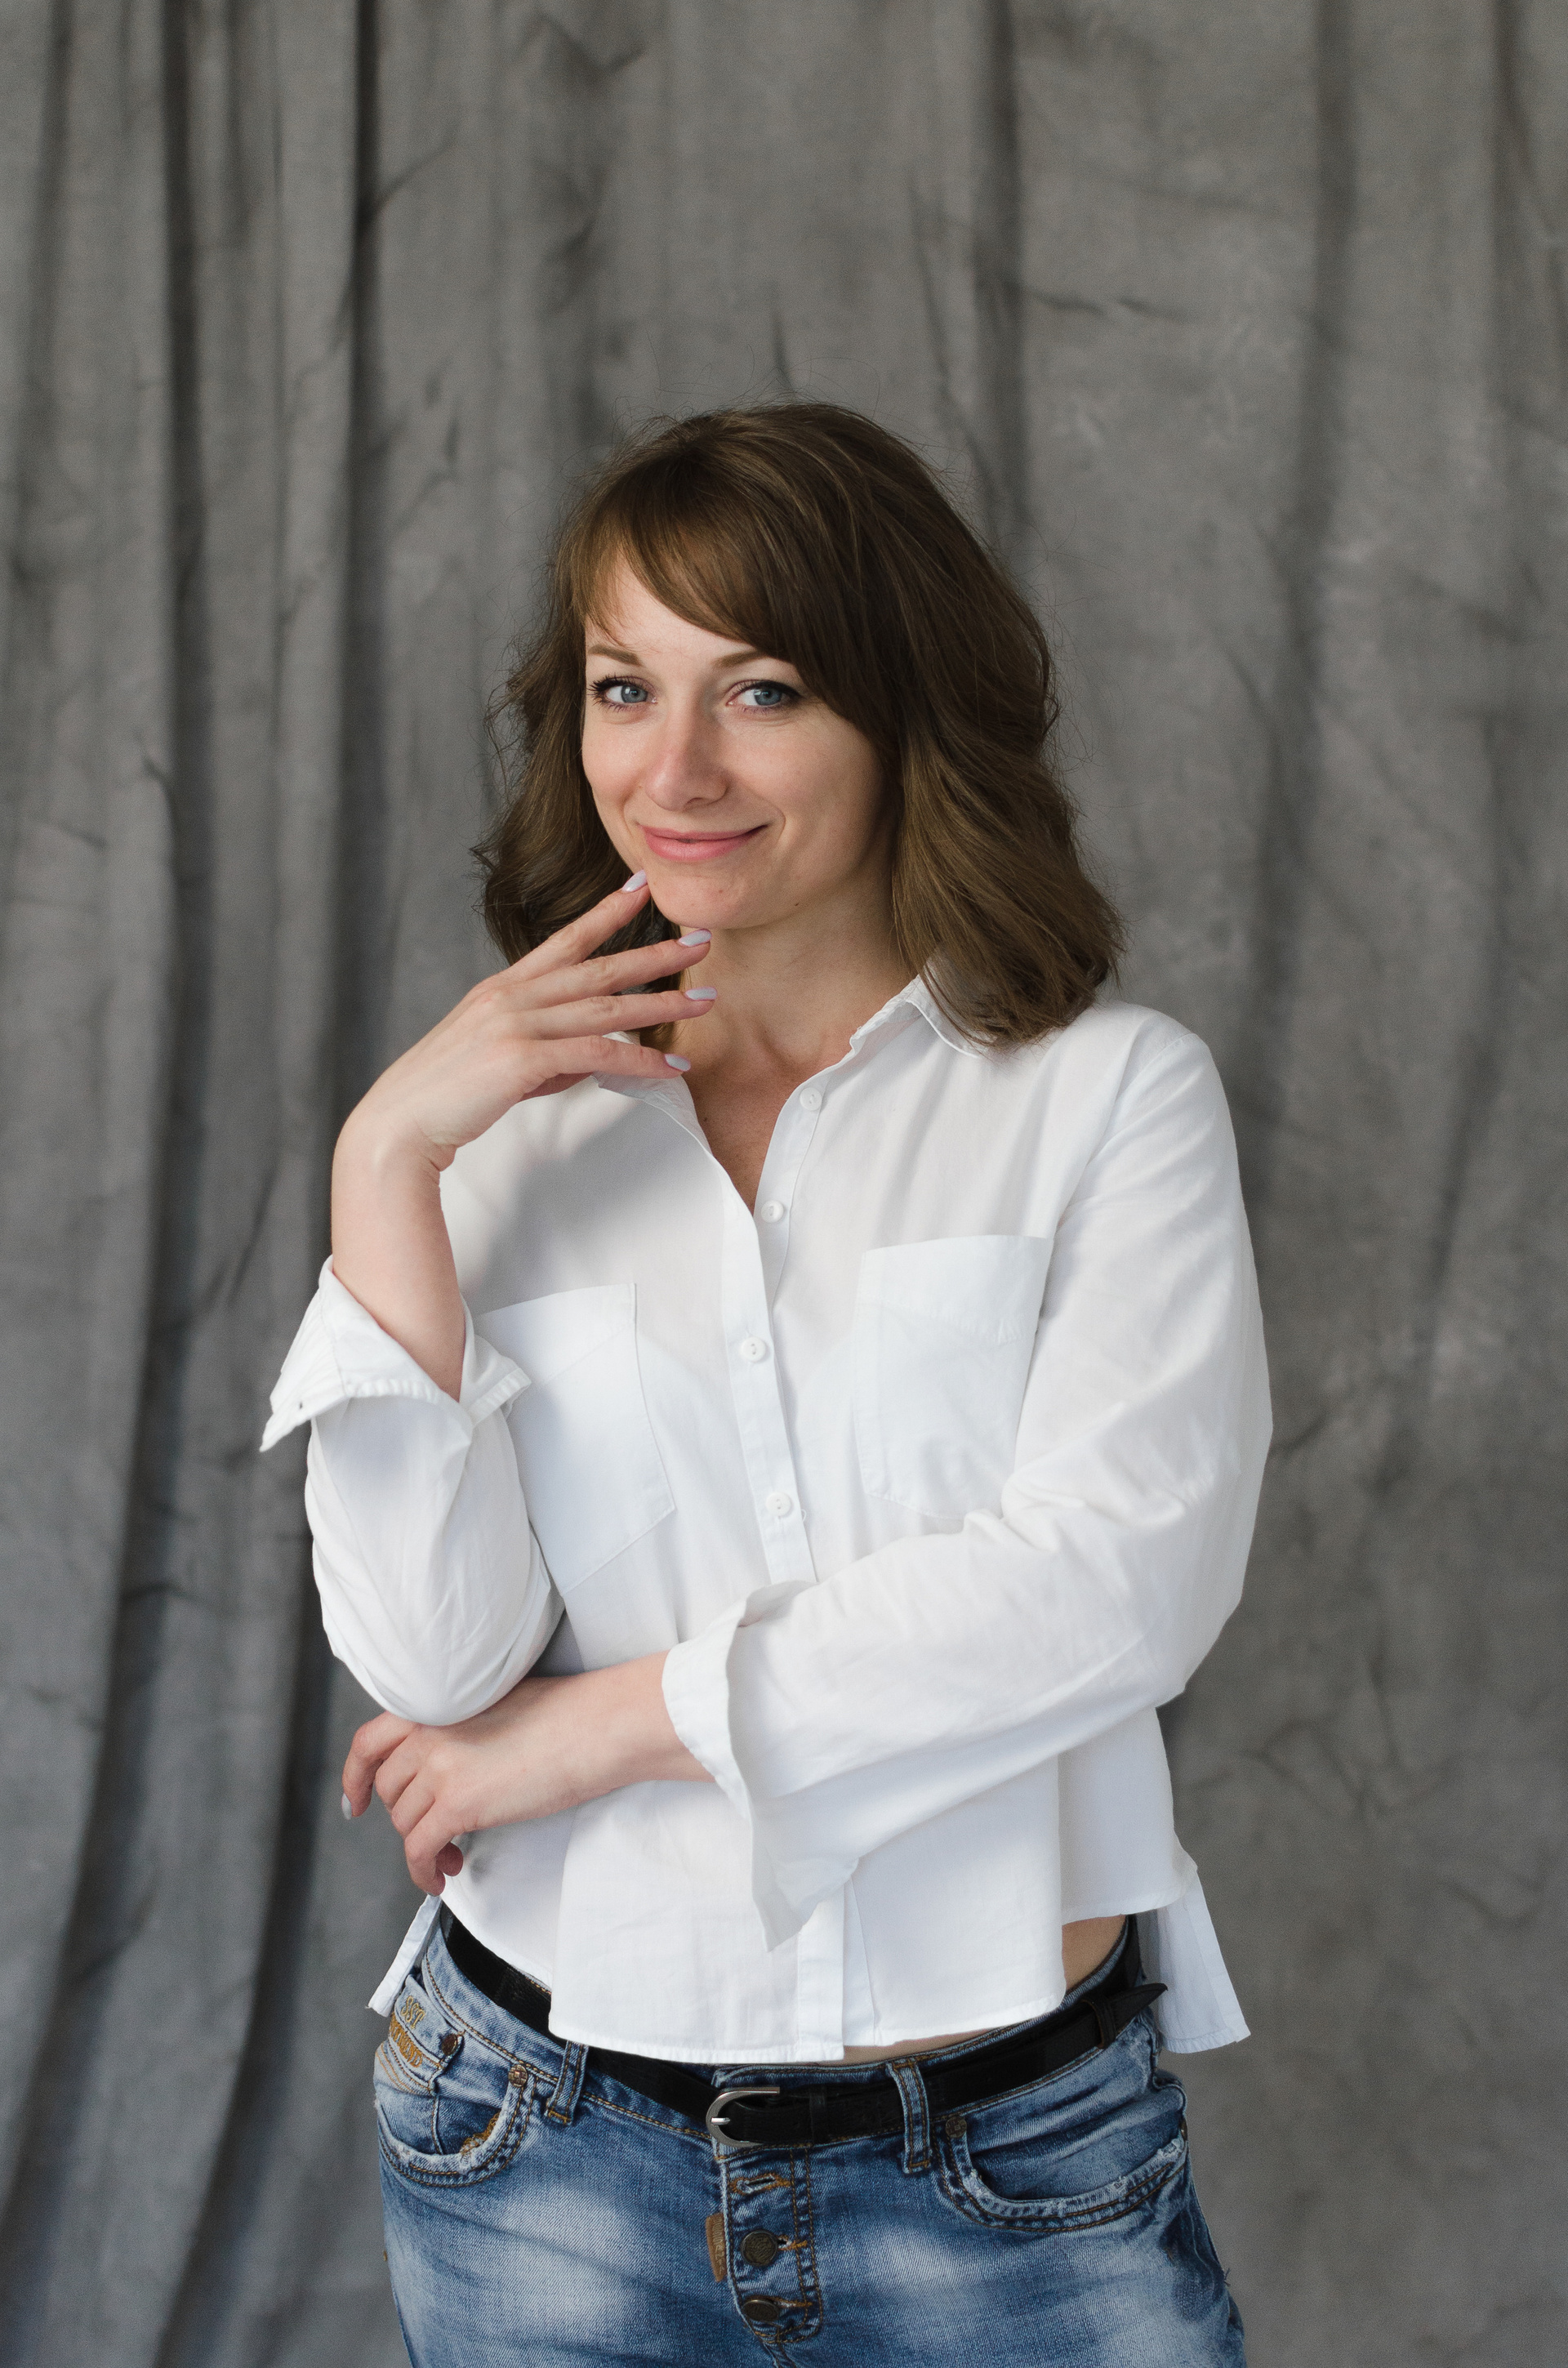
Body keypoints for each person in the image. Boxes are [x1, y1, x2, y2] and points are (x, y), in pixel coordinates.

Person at [264, 402, 1268, 2366]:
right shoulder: (500, 1146)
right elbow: (433, 1662)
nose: (676, 769)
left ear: (902, 713)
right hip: (536, 2147)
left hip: (1011, 2164)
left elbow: (1116, 1587)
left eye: (764, 689)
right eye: (624, 687)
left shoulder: (1106, 1100)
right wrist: (385, 1163)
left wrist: (597, 1731)